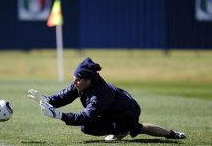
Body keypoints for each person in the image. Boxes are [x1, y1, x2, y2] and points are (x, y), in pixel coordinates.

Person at [27, 57, 186, 141]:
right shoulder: (81, 83)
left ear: (88, 80)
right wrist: (46, 99)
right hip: (112, 111)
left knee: (136, 127)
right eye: (74, 78)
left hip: (127, 113)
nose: (75, 82)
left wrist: (59, 115)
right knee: (91, 126)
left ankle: (171, 134)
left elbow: (85, 117)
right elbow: (65, 96)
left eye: (78, 79)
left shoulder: (100, 94)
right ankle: (120, 131)